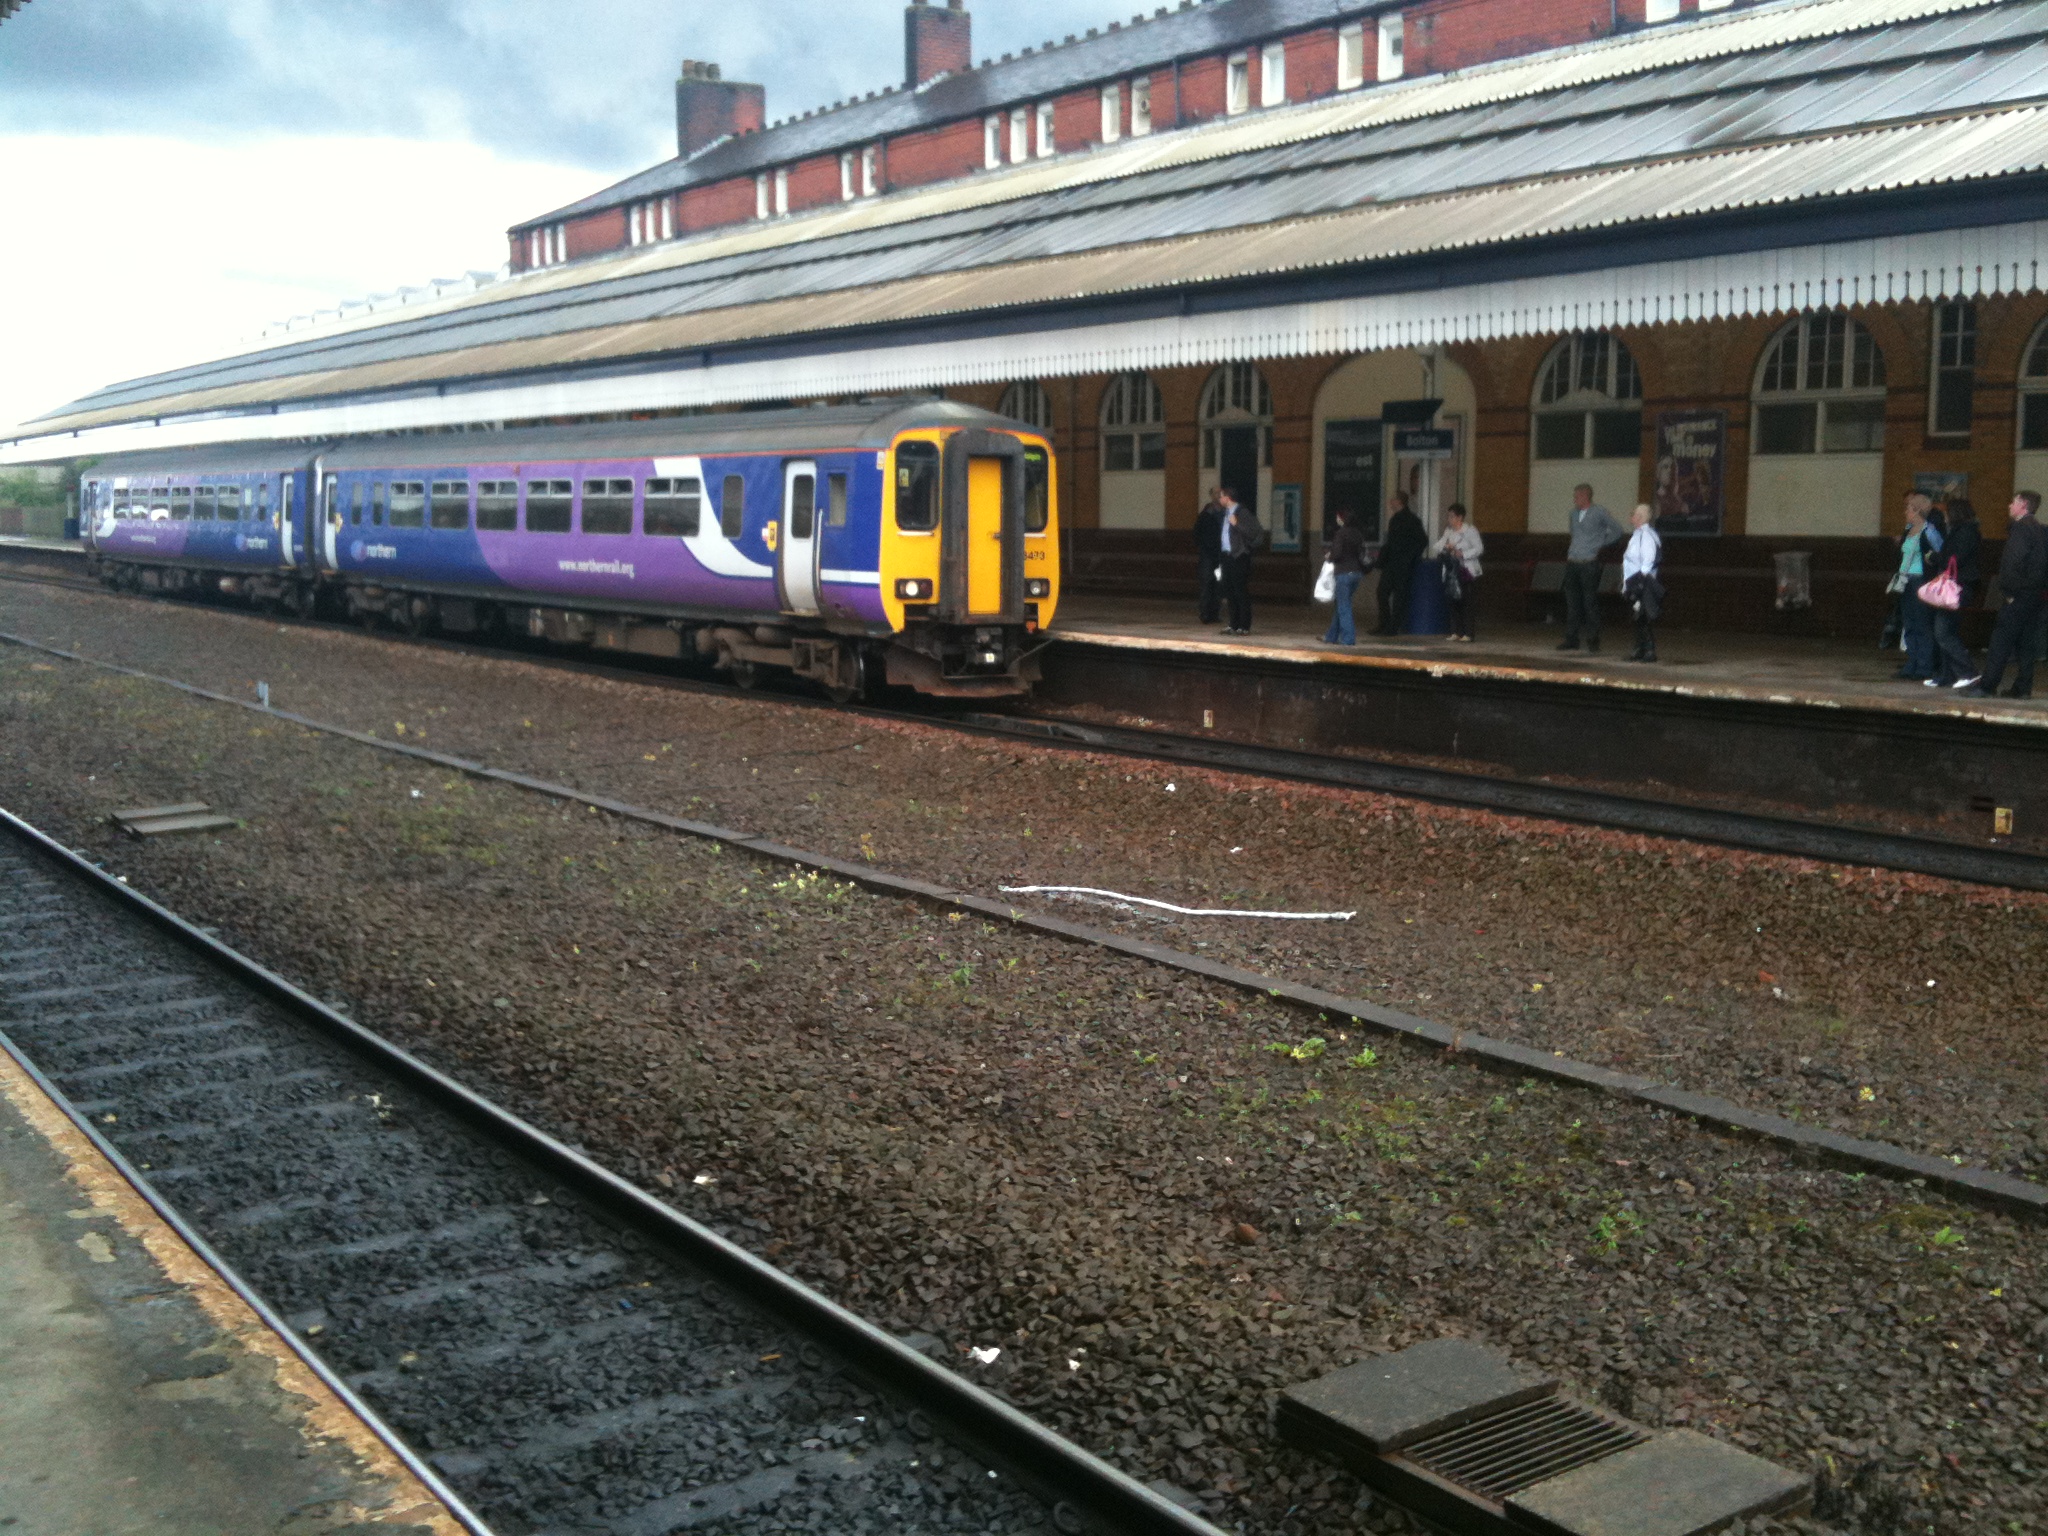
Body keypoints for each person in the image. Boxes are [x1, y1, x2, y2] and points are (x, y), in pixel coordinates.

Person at [1957, 491, 2047, 697]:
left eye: (2013, 501)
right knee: (2026, 643)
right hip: (2035, 596)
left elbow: (2011, 564)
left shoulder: (2021, 530)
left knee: (2000, 642)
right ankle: (2023, 688)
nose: (2009, 505)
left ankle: (1987, 686)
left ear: (2023, 505)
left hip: (2018, 596)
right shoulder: (2040, 530)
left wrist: (2008, 592)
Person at [1559, 483, 1625, 652]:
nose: (1574, 499)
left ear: (1585, 496)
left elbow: (1617, 530)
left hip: (1589, 563)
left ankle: (1593, 640)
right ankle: (1571, 639)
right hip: (1573, 561)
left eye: (1577, 496)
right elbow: (1574, 533)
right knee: (1572, 603)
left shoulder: (1599, 512)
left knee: (1590, 603)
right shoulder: (1573, 514)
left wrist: (1599, 544)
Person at [1926, 496, 1983, 688]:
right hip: (1958, 585)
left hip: (1957, 586)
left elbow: (1954, 558)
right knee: (1946, 630)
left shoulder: (1965, 532)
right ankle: (1947, 675)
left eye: (1947, 512)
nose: (1945, 516)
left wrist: (1935, 557)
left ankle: (1968, 672)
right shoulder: (1966, 531)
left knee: (1943, 632)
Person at [1892, 492, 1941, 681]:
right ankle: (1912, 662)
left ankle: (1924, 665)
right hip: (1905, 580)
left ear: (1917, 511)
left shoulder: (1929, 531)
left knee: (1922, 624)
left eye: (1909, 508)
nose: (1905, 511)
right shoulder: (1908, 529)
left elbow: (1940, 552)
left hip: (1920, 580)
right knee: (1909, 623)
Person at [1372, 492, 1426, 636]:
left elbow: (1422, 540)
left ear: (1399, 502)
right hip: (1391, 563)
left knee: (1399, 597)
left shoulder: (1412, 520)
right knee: (1382, 592)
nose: (1390, 502)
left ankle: (1393, 627)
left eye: (1393, 499)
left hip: (1403, 564)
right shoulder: (1395, 519)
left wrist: (1410, 558)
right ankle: (1384, 623)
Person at [1429, 502, 1484, 642]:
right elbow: (1437, 545)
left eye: (1452, 516)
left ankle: (1468, 633)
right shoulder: (1449, 532)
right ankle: (1455, 631)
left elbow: (1479, 548)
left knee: (1466, 601)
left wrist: (1463, 554)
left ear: (1460, 517)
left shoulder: (1470, 531)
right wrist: (1446, 547)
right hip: (1452, 571)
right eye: (1449, 516)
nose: (1450, 519)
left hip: (1465, 570)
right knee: (1453, 600)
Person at [1621, 502, 1663, 663]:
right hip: (1636, 580)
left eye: (1633, 514)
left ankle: (1648, 650)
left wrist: (1640, 581)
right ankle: (1640, 648)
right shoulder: (1639, 534)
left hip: (1641, 581)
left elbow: (1648, 560)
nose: (1631, 517)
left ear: (1640, 517)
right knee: (1638, 616)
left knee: (1643, 616)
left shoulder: (1646, 536)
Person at [1321, 507, 1369, 646]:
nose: (1336, 519)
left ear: (1342, 519)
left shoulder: (1341, 534)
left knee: (1343, 607)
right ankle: (1331, 636)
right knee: (1341, 605)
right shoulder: (1358, 534)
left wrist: (1328, 555)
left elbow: (1336, 554)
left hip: (1343, 574)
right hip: (1356, 573)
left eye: (1338, 517)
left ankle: (1348, 639)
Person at [1217, 486, 1260, 635]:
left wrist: (1237, 524)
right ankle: (1233, 624)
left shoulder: (1243, 512)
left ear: (1228, 497)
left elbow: (1253, 532)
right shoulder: (1225, 513)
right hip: (1226, 556)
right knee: (1229, 591)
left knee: (1240, 591)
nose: (1219, 499)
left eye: (1221, 496)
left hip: (1239, 556)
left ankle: (1244, 625)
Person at [1193, 487, 1225, 626]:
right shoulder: (1205, 514)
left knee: (1218, 584)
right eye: (1216, 493)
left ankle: (1215, 613)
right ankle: (1205, 613)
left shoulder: (1225, 513)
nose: (1219, 495)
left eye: (1220, 493)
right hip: (1207, 555)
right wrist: (1204, 546)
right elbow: (1196, 533)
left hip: (1220, 555)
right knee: (1207, 583)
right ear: (1211, 496)